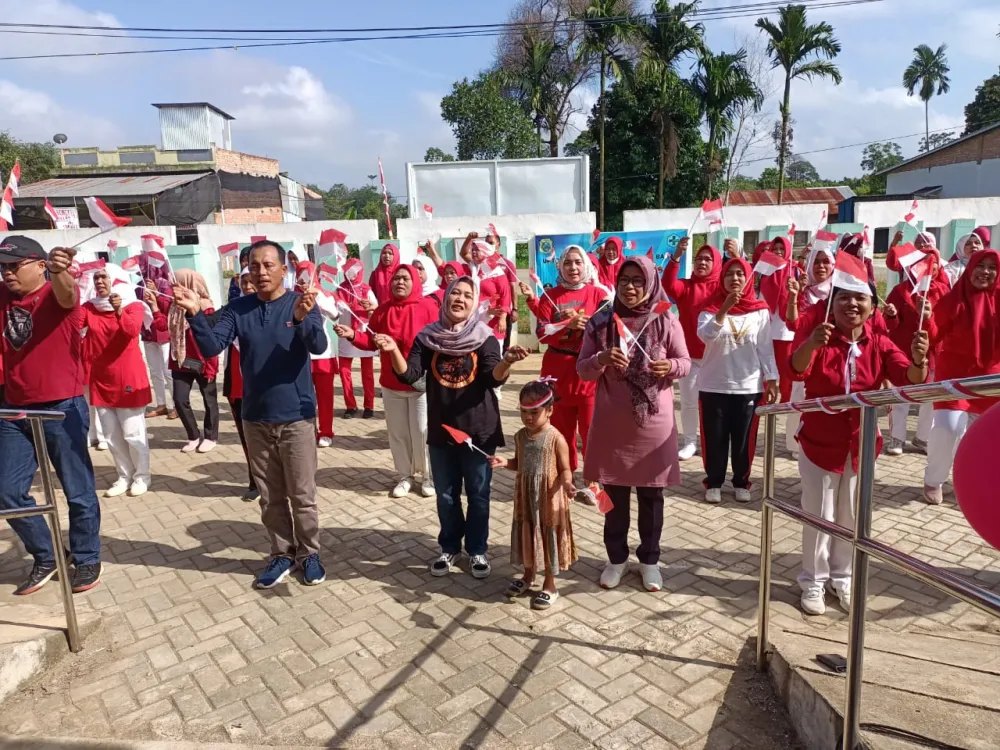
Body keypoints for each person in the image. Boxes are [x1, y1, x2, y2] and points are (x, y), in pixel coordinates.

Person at [174, 240, 328, 589]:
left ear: (283, 270)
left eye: (268, 265)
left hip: (297, 417)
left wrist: (303, 320)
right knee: (270, 495)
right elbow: (213, 345)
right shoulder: (238, 309)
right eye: (254, 266)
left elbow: (318, 345)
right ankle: (281, 554)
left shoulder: (300, 303)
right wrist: (195, 314)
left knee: (302, 494)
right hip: (255, 417)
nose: (260, 272)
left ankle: (310, 555)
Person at [790, 285, 929, 615]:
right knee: (819, 516)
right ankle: (812, 580)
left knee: (851, 517)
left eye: (860, 298)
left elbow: (909, 379)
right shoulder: (820, 337)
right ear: (832, 303)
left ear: (871, 307)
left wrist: (920, 359)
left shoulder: (878, 341)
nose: (851, 303)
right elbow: (796, 368)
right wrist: (811, 343)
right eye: (843, 297)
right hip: (819, 444)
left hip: (860, 445)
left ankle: (843, 576)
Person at [379, 275, 527, 579]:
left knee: (478, 494)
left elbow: (492, 378)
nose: (459, 299)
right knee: (446, 495)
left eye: (467, 296)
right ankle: (449, 547)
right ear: (445, 298)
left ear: (474, 304)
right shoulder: (427, 337)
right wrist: (393, 350)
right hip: (441, 431)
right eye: (454, 293)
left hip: (479, 431)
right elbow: (411, 376)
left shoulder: (484, 337)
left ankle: (477, 551)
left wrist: (507, 361)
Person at [579, 255, 692, 592]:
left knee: (651, 498)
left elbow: (685, 362)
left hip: (653, 426)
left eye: (637, 281)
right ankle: (615, 559)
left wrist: (669, 366)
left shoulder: (666, 319)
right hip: (611, 425)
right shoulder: (601, 321)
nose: (629, 287)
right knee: (609, 497)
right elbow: (582, 369)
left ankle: (650, 561)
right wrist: (600, 358)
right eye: (624, 280)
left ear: (650, 283)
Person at [0, 236, 103, 595]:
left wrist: (61, 270)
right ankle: (48, 555)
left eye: (15, 265)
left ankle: (87, 556)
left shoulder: (57, 296)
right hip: (13, 408)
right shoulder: (3, 296)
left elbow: (67, 293)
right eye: (3, 267)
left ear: (40, 265)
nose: (8, 273)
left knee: (77, 491)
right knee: (7, 491)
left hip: (62, 407)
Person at [335, 265, 438, 498]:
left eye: (405, 278)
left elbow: (439, 341)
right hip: (392, 384)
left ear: (415, 282)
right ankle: (405, 475)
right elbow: (371, 341)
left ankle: (428, 476)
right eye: (396, 278)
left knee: (422, 430)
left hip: (420, 384)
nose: (399, 282)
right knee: (398, 432)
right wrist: (352, 335)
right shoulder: (383, 310)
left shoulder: (428, 308)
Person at [519, 245, 609, 473]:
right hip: (557, 373)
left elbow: (608, 330)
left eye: (578, 262)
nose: (573, 267)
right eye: (567, 262)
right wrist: (565, 325)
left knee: (593, 431)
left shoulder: (599, 294)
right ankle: (565, 477)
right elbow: (541, 333)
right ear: (560, 265)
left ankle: (593, 480)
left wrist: (586, 322)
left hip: (589, 372)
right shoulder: (551, 296)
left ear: (586, 265)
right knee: (561, 432)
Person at [696, 258, 779, 504]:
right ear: (722, 279)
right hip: (714, 384)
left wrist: (772, 378)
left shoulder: (760, 309)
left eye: (740, 274)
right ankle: (714, 482)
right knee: (714, 437)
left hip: (748, 386)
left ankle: (741, 482)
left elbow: (765, 348)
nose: (735, 278)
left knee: (744, 440)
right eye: (729, 274)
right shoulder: (709, 307)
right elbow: (706, 335)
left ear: (748, 279)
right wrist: (723, 309)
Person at [490, 379, 578, 610]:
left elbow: (565, 469)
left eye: (534, 412)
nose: (528, 417)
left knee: (547, 538)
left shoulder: (556, 438)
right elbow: (519, 463)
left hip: (549, 499)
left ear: (549, 411)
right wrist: (505, 462)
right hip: (526, 498)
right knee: (528, 534)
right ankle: (528, 576)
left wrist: (568, 484)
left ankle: (550, 585)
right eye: (523, 412)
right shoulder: (520, 436)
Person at [922, 249, 1000, 505]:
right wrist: (926, 318)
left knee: (987, 433)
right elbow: (934, 334)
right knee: (948, 426)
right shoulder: (953, 298)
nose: (985, 272)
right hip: (954, 374)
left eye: (992, 267)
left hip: (990, 375)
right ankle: (934, 479)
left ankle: (974, 479)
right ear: (970, 268)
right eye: (980, 265)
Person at [82, 264, 153, 498]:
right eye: (96, 278)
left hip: (127, 378)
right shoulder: (90, 308)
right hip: (101, 380)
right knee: (111, 435)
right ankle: (124, 475)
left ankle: (142, 476)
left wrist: (119, 310)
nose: (99, 281)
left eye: (104, 277)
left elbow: (132, 331)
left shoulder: (133, 305)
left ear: (117, 280)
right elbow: (71, 324)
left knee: (133, 433)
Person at [883, 246, 947, 456]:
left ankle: (922, 437)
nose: (929, 265)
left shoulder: (944, 291)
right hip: (904, 351)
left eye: (933, 260)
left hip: (934, 352)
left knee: (930, 398)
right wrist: (891, 315)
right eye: (924, 261)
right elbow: (888, 325)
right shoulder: (901, 291)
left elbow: (948, 325)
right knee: (902, 396)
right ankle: (897, 437)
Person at [661, 238, 722, 460]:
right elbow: (668, 284)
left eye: (708, 259)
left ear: (716, 263)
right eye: (698, 259)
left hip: (717, 357)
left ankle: (714, 441)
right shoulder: (686, 287)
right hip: (689, 357)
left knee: (715, 404)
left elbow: (742, 284)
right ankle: (690, 442)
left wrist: (737, 257)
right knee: (688, 402)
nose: (702, 263)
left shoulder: (721, 288)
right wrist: (676, 256)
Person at [154, 269, 220, 454]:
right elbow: (162, 327)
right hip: (180, 360)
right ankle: (193, 435)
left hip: (203, 360)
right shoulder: (174, 306)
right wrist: (154, 307)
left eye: (179, 282)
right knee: (179, 399)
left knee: (209, 400)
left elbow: (208, 337)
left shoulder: (205, 306)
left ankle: (210, 436)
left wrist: (210, 364)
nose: (175, 286)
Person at [782, 244, 834, 456]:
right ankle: (795, 443)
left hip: (831, 357)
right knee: (798, 399)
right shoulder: (803, 293)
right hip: (805, 356)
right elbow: (793, 324)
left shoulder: (839, 293)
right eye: (817, 262)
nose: (821, 266)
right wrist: (795, 296)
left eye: (826, 262)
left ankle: (823, 439)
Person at [220, 271, 258, 502]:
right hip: (237, 386)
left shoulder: (272, 310)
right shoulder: (232, 311)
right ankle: (255, 480)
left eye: (251, 280)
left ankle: (276, 480)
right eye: (243, 282)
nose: (248, 285)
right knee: (247, 438)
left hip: (263, 386)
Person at [335, 258, 377, 419]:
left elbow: (376, 308)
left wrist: (369, 306)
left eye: (355, 270)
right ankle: (350, 405)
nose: (351, 274)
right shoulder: (340, 289)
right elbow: (335, 311)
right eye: (349, 271)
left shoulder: (366, 289)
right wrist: (340, 305)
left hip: (363, 333)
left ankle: (369, 405)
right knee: (345, 372)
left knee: (367, 373)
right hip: (346, 333)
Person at [759, 237, 797, 403]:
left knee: (786, 369)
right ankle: (767, 397)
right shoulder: (766, 272)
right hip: (767, 327)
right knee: (767, 366)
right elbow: (760, 297)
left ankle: (786, 402)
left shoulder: (795, 271)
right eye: (776, 249)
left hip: (785, 330)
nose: (779, 252)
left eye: (782, 248)